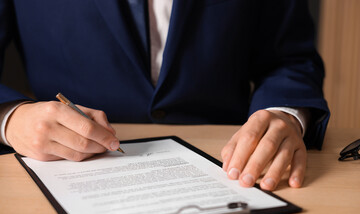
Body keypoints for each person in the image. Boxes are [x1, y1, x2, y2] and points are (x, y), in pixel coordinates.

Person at [0, 0, 329, 191]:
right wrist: (9, 117)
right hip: (60, 173)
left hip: (230, 170)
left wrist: (285, 113)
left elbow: (291, 59)